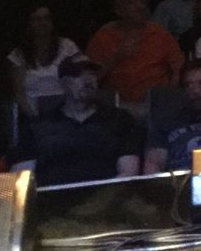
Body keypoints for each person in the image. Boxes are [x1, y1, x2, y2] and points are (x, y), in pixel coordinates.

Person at [11, 57, 142, 185]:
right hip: (52, 201)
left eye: (91, 74)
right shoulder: (39, 126)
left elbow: (128, 174)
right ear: (63, 83)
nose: (87, 80)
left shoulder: (119, 119)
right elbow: (21, 179)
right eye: (77, 75)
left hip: (106, 200)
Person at [86, 0, 185, 121]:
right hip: (117, 107)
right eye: (131, 3)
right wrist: (115, 58)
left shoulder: (160, 33)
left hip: (155, 106)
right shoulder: (103, 37)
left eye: (142, 2)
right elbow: (89, 79)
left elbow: (179, 68)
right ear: (118, 10)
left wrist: (169, 96)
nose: (140, 7)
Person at [7, 4, 81, 118]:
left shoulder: (68, 47)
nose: (43, 23)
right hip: (33, 114)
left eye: (47, 18)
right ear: (29, 24)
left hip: (66, 113)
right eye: (37, 19)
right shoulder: (18, 55)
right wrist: (33, 116)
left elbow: (82, 78)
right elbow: (19, 92)